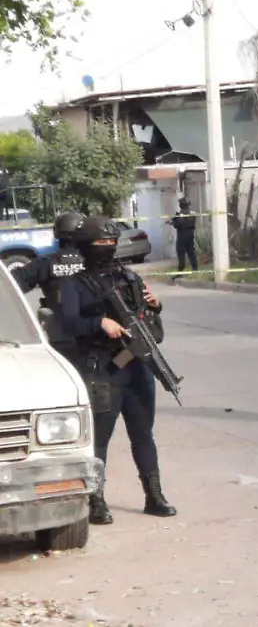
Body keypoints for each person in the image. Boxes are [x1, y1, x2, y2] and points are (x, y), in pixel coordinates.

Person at [59, 215, 176, 525]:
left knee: (143, 434)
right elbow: (68, 323)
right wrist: (99, 323)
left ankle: (154, 496)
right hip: (102, 368)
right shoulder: (74, 284)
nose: (108, 246)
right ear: (86, 246)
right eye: (101, 242)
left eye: (112, 241)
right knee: (99, 439)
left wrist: (155, 305)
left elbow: (147, 320)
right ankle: (96, 501)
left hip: (138, 367)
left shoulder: (129, 277)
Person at [11, 211, 87, 358]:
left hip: (60, 336)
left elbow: (12, 284)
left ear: (56, 233)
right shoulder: (94, 261)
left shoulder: (45, 263)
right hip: (93, 334)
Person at [169, 198, 198, 273]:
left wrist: (173, 221)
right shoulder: (192, 214)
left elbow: (177, 225)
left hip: (182, 236)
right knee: (191, 252)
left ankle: (181, 269)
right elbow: (191, 223)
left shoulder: (179, 215)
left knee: (181, 253)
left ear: (181, 206)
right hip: (190, 235)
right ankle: (195, 268)